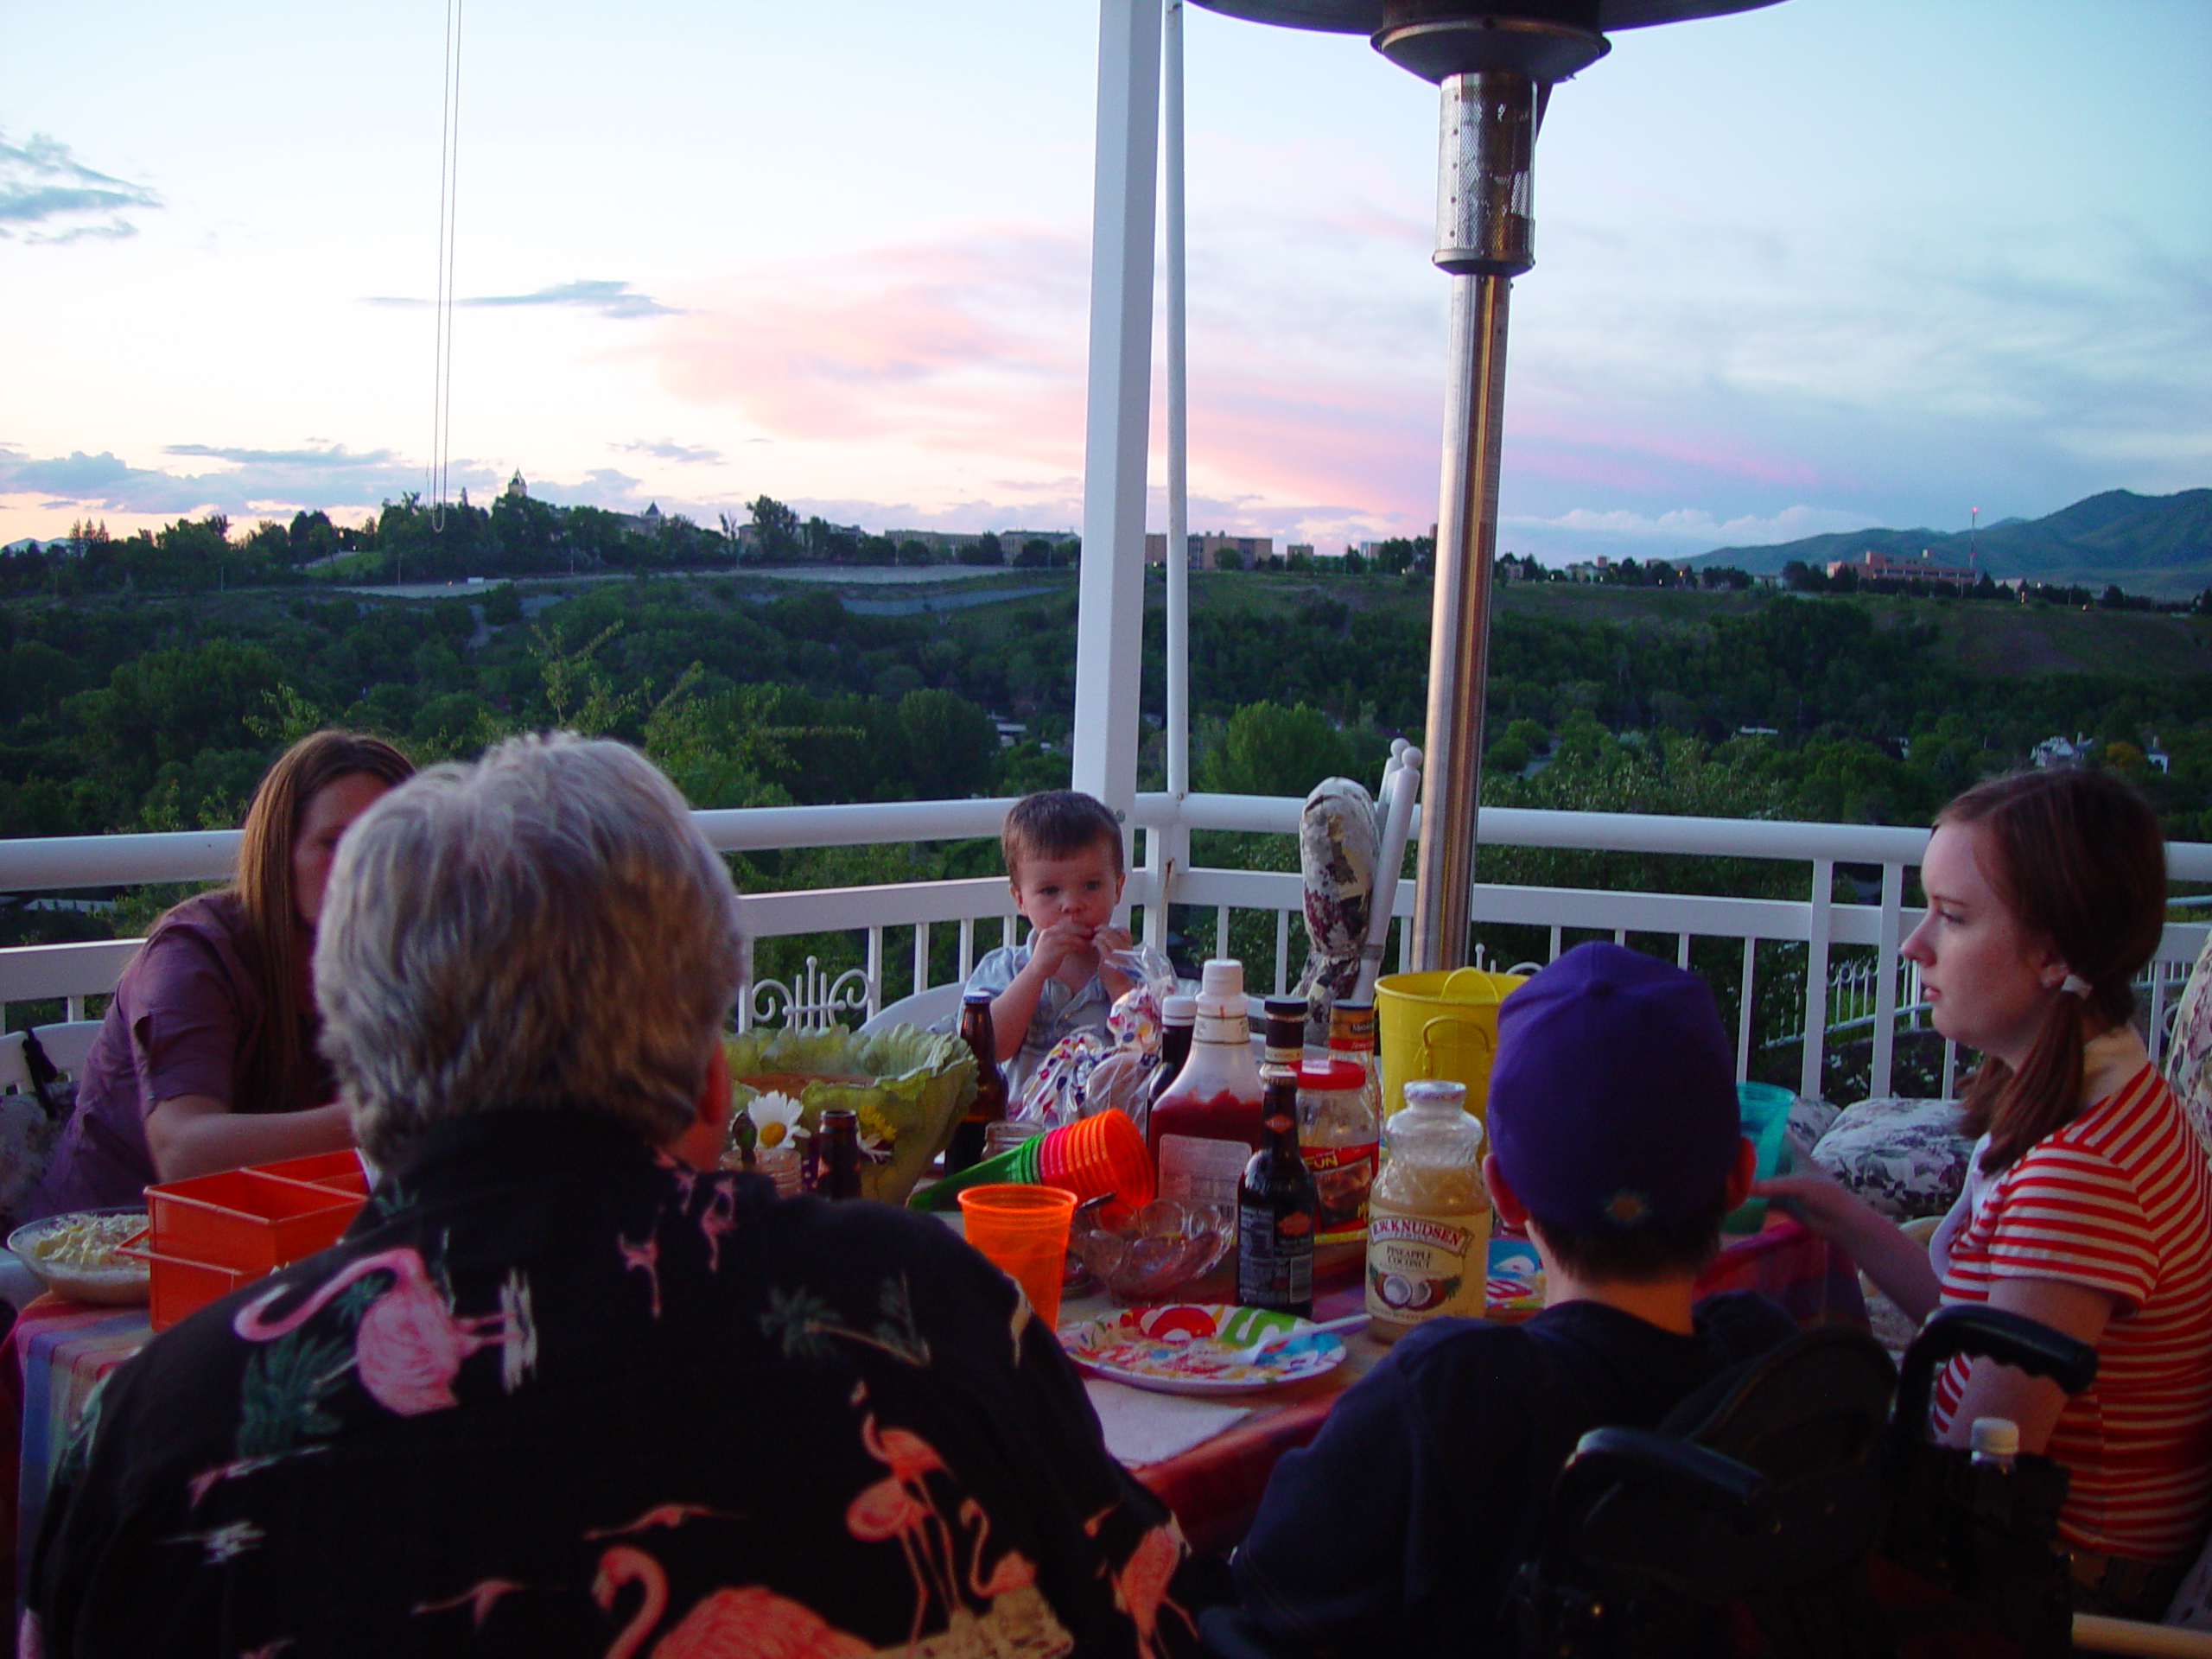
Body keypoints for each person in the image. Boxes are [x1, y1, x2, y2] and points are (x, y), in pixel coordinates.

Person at [26, 734, 1205, 1659]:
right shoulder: (923, 1309)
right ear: (708, 1066)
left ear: (361, 1059)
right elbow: (1147, 1621)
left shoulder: (162, 1434)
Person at [1223, 942, 1795, 1654]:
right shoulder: (1768, 1366)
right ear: (1740, 1180)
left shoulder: (1457, 1391)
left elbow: (1270, 1577)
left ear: (1502, 1195)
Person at [1760, 767, 2212, 1619]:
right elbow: (1979, 1319)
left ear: (2054, 956)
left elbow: (1985, 1465)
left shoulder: (2083, 1172)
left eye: (1953, 917)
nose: (1913, 945)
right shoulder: (2092, 1087)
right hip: (2042, 1539)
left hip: (2061, 1578)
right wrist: (1821, 1206)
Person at [19, 730, 414, 1224]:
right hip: (106, 1254)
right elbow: (184, 1153)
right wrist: (393, 1118)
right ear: (280, 855)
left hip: (274, 1248)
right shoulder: (193, 956)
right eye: (335, 843)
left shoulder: (402, 966)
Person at [963, 788, 1136, 1101]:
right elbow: (987, 1052)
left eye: (1091, 885)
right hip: (1022, 1139)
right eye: (1049, 890)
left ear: (1118, 887)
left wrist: (1123, 991)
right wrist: (1035, 973)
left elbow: (1156, 1059)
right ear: (1020, 899)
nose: (1071, 904)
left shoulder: (1136, 969)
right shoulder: (1005, 968)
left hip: (1105, 1136)